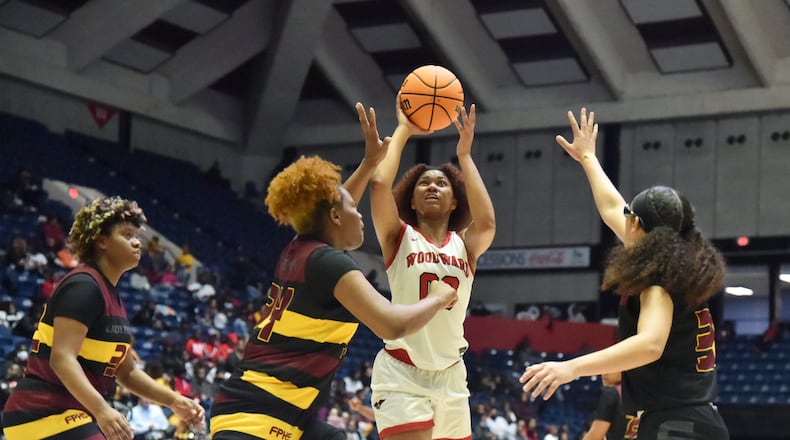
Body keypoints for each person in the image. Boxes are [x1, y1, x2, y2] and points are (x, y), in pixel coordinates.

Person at [209, 102, 458, 440]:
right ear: (337, 218)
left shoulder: (299, 249)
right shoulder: (330, 262)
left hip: (277, 410)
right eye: (354, 210)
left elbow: (332, 206)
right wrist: (438, 297)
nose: (361, 216)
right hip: (257, 416)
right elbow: (391, 323)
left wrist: (371, 162)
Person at [519, 109, 729, 439]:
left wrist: (570, 368)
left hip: (677, 425)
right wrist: (588, 157)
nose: (623, 217)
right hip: (690, 420)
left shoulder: (659, 283)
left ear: (636, 225)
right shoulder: (675, 262)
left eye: (629, 214)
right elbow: (610, 207)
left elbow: (650, 345)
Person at [1, 196, 205, 440]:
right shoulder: (84, 286)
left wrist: (173, 400)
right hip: (43, 410)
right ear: (101, 240)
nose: (137, 243)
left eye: (137, 237)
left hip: (75, 413)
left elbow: (126, 372)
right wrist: (102, 410)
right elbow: (62, 359)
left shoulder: (112, 296)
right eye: (127, 235)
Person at [368, 99, 496, 440]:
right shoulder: (398, 236)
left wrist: (465, 157)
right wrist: (404, 129)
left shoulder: (465, 245)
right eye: (424, 183)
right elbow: (379, 185)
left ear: (455, 201)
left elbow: (487, 222)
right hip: (402, 371)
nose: (432, 186)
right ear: (411, 199)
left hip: (452, 374)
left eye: (442, 183)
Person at [583, 372, 628, 440]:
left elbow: (594, 437)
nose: (604, 373)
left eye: (610, 368)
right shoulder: (640, 392)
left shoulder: (610, 393)